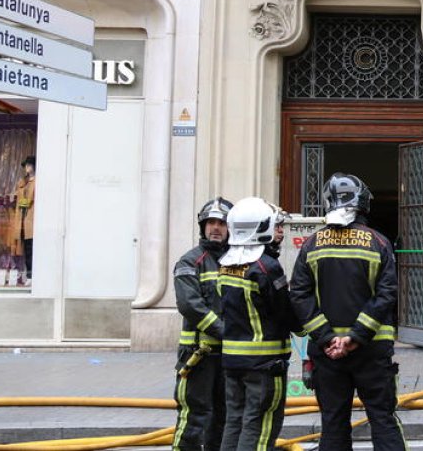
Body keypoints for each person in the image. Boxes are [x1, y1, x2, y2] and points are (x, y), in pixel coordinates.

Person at [290, 173, 405, 451]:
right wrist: (356, 336)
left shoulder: (311, 244)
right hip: (372, 351)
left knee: (333, 423)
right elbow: (386, 295)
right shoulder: (379, 242)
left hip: (326, 354)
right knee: (382, 419)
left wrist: (328, 337)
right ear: (363, 203)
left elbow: (299, 295)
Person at [217, 197, 297, 451]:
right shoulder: (266, 267)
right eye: (275, 225)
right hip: (264, 364)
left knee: (234, 422)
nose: (280, 231)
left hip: (232, 360)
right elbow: (284, 311)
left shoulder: (225, 265)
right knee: (260, 426)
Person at [172, 197, 233, 451]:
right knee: (194, 417)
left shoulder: (237, 260)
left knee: (224, 416)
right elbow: (190, 305)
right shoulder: (190, 261)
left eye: (221, 223)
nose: (215, 228)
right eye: (211, 223)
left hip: (229, 356)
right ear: (202, 227)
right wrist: (226, 332)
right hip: (198, 356)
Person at [16, 156, 34, 283]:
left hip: (32, 220)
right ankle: (29, 275)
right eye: (25, 165)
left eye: (29, 165)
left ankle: (31, 276)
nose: (26, 167)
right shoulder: (24, 182)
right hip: (24, 220)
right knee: (27, 249)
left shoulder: (36, 182)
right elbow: (21, 201)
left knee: (31, 248)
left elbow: (28, 201)